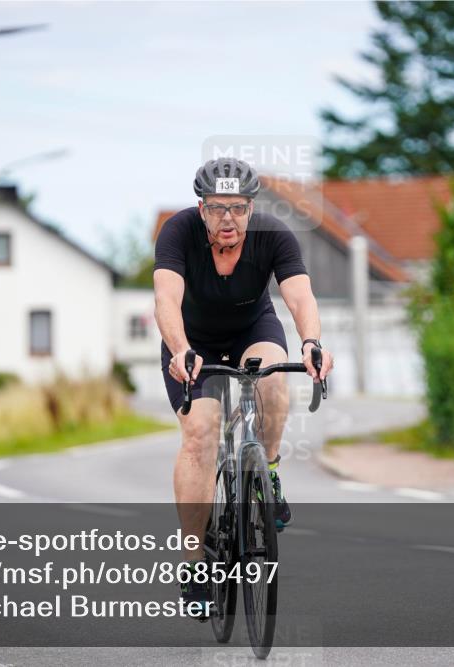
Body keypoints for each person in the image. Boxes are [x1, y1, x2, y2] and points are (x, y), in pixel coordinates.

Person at [153, 157, 334, 612]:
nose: (227, 219)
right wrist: (179, 349)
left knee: (274, 381)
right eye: (217, 208)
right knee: (199, 436)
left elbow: (298, 294)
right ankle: (195, 563)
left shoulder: (274, 235)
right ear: (201, 208)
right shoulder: (177, 233)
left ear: (251, 209)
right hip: (191, 344)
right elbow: (166, 299)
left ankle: (267, 472)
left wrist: (312, 342)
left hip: (253, 331)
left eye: (237, 208)